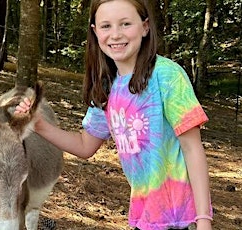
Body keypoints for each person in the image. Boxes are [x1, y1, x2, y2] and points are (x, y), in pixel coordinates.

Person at [14, 0, 213, 229]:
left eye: (126, 24)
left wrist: (203, 219)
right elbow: (85, 145)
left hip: (183, 219)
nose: (116, 34)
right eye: (106, 26)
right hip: (144, 218)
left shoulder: (167, 75)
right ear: (95, 32)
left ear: (145, 27)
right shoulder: (107, 87)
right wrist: (39, 125)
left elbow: (192, 148)